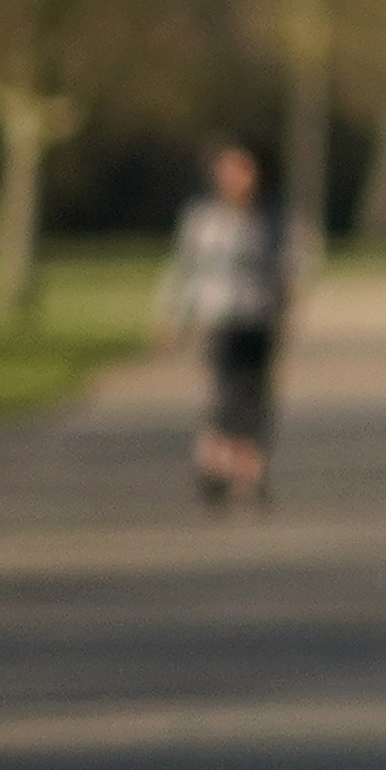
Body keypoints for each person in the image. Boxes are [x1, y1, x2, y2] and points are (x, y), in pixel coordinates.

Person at [155, 144, 292, 507]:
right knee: (227, 393)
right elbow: (184, 269)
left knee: (256, 394)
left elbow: (288, 265)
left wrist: (287, 302)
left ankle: (249, 470)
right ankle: (215, 462)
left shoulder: (271, 217)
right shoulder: (203, 219)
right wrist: (171, 317)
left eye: (247, 171)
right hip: (219, 316)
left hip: (259, 315)